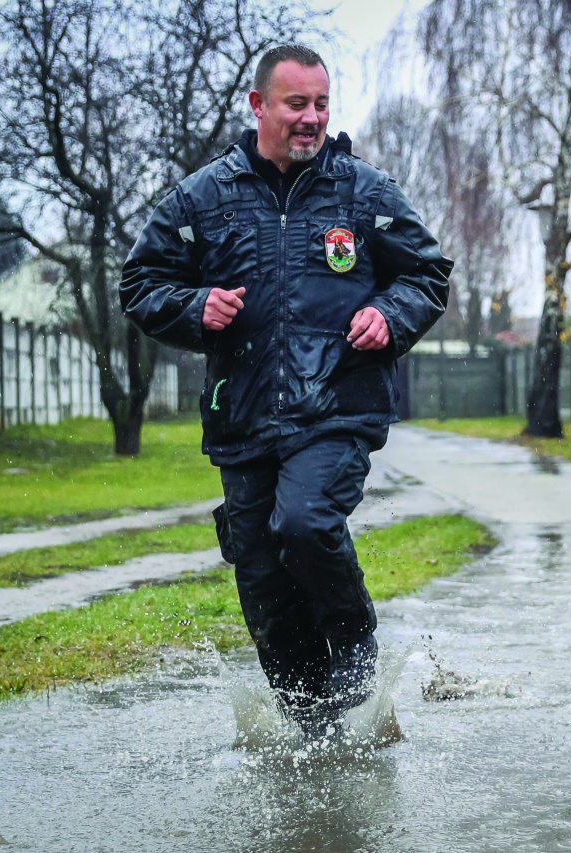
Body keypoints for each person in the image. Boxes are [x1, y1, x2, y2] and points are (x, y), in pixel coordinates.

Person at [120, 44, 451, 733]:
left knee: (304, 522)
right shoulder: (202, 197)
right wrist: (193, 307)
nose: (311, 119)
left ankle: (357, 656)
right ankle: (314, 723)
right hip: (241, 417)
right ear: (259, 106)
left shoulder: (362, 192)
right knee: (262, 576)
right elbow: (140, 283)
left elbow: (427, 276)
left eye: (321, 104)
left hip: (335, 408)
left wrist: (387, 316)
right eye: (297, 104)